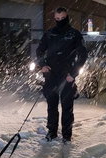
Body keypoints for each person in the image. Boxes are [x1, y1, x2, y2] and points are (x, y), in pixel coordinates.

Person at [36, 7, 87, 143]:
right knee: (51, 106)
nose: (60, 21)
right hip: (51, 76)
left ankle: (66, 135)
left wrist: (74, 73)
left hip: (67, 76)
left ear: (67, 17)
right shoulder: (50, 34)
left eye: (62, 19)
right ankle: (52, 132)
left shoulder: (74, 34)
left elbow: (83, 55)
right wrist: (42, 65)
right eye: (57, 19)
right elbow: (39, 51)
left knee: (67, 107)